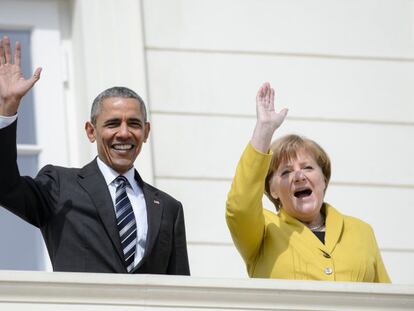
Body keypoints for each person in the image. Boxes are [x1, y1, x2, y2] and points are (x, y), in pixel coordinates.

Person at [0, 35, 190, 275]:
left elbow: (180, 287)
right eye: (112, 124)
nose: (124, 133)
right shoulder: (59, 186)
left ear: (146, 131)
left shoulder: (168, 208)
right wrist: (8, 108)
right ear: (91, 131)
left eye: (134, 124)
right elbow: (5, 187)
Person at [226, 82, 390, 282]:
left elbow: (385, 298)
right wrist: (264, 129)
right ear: (273, 189)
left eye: (307, 168)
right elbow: (240, 207)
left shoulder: (362, 231)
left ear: (323, 179)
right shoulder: (263, 232)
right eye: (286, 172)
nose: (299, 176)